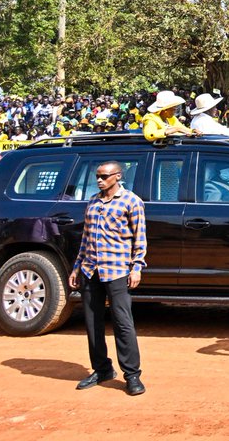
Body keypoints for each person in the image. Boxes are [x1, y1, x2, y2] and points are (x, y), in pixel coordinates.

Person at [70, 160, 148, 395]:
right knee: (93, 322)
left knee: (123, 323)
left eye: (104, 176)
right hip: (90, 270)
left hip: (117, 270)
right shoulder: (93, 202)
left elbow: (140, 238)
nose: (99, 180)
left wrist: (137, 267)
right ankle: (101, 369)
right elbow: (85, 239)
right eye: (98, 176)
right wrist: (77, 267)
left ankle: (132, 375)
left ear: (118, 176)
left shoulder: (132, 201)